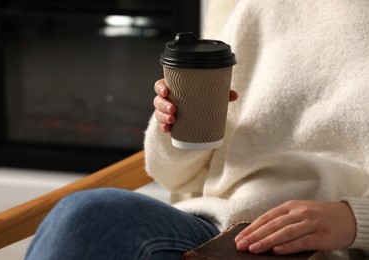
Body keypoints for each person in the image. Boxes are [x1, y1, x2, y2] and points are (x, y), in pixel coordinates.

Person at [25, 0, 369, 259]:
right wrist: (175, 125)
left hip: (321, 250)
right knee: (88, 216)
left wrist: (354, 218)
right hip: (213, 232)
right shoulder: (264, 7)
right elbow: (176, 177)